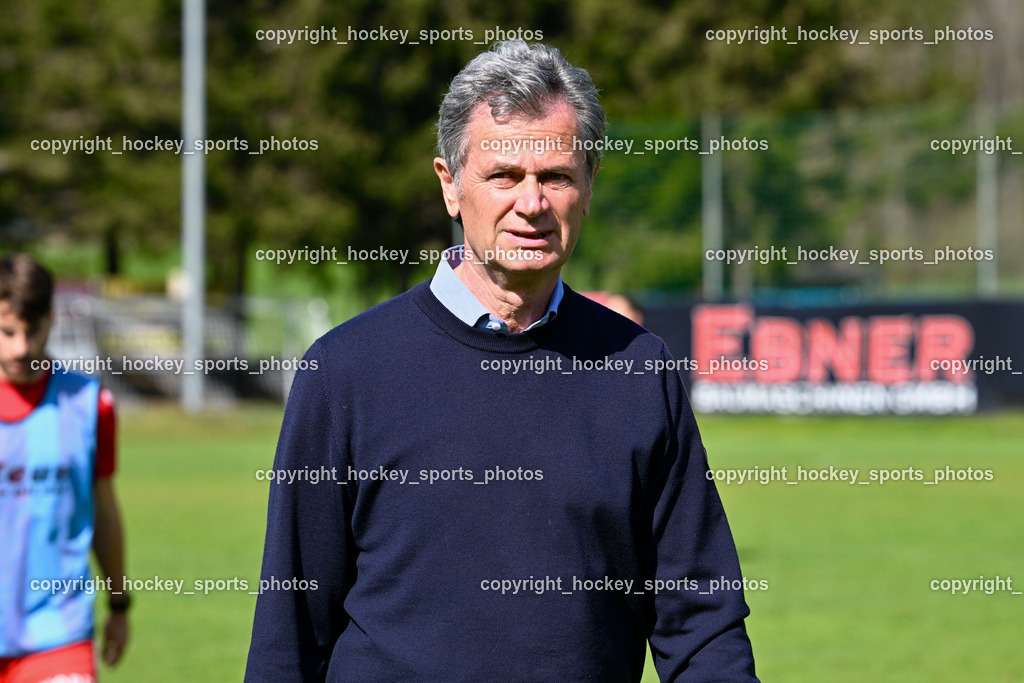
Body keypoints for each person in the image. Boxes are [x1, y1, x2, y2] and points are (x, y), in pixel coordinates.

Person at [246, 40, 757, 681]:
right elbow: (290, 633)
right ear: (450, 185)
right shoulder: (345, 372)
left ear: (589, 187)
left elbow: (701, 620)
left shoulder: (638, 368)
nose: (532, 203)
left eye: (556, 177)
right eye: (504, 176)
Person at [0, 254, 129, 683]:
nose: (21, 347)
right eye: (7, 332)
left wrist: (119, 604)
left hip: (59, 636)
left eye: (31, 331)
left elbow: (104, 511)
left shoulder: (89, 403)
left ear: (50, 319)